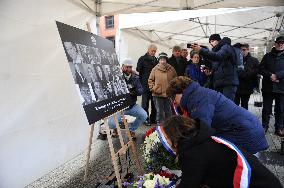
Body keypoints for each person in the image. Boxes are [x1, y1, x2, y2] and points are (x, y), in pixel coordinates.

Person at [163, 115, 282, 188]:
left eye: (166, 137)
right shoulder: (200, 139)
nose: (166, 141)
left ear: (175, 135)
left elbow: (189, 185)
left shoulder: (193, 153)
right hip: (266, 181)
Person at [166, 76, 268, 154]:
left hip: (245, 134)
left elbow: (203, 129)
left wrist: (182, 148)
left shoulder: (198, 99)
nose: (174, 103)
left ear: (182, 91)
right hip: (245, 129)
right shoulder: (198, 94)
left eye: (174, 98)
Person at [191, 34, 239, 101]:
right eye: (210, 42)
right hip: (219, 83)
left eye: (213, 41)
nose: (211, 43)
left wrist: (201, 50)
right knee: (220, 107)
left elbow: (218, 56)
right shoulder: (216, 51)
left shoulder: (226, 47)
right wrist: (210, 73)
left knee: (227, 107)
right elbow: (214, 66)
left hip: (228, 83)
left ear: (218, 40)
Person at [108, 58, 147, 139]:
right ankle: (115, 129)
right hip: (119, 107)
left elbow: (141, 91)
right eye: (126, 67)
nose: (128, 69)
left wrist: (133, 91)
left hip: (131, 106)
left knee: (144, 115)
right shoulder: (117, 76)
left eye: (130, 67)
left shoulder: (135, 77)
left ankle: (131, 130)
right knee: (111, 123)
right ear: (122, 67)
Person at [259, 36, 284, 137]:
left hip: (282, 87)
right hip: (268, 87)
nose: (281, 44)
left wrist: (278, 76)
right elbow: (260, 68)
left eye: (282, 43)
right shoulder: (267, 56)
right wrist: (270, 75)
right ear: (275, 43)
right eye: (279, 42)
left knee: (280, 109)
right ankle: (264, 126)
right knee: (266, 108)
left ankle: (279, 128)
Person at [148, 52, 177, 126]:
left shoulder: (171, 68)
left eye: (164, 59)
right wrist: (154, 88)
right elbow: (150, 80)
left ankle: (169, 126)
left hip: (168, 94)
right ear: (159, 60)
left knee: (168, 111)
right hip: (157, 94)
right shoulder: (155, 69)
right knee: (159, 112)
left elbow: (176, 80)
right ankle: (160, 127)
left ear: (166, 60)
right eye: (161, 59)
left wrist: (173, 90)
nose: (163, 61)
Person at [136, 44, 158, 126]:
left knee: (154, 103)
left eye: (155, 51)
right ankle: (145, 119)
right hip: (145, 84)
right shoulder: (142, 59)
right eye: (152, 51)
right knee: (145, 103)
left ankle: (153, 118)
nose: (153, 52)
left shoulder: (156, 59)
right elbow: (138, 69)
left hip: (154, 85)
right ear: (148, 50)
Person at [234, 43, 259, 110]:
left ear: (248, 50)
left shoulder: (254, 60)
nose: (242, 52)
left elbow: (257, 72)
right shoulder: (235, 59)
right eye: (240, 50)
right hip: (236, 86)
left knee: (244, 105)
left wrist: (256, 86)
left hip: (247, 86)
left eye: (244, 50)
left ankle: (243, 119)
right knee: (234, 105)